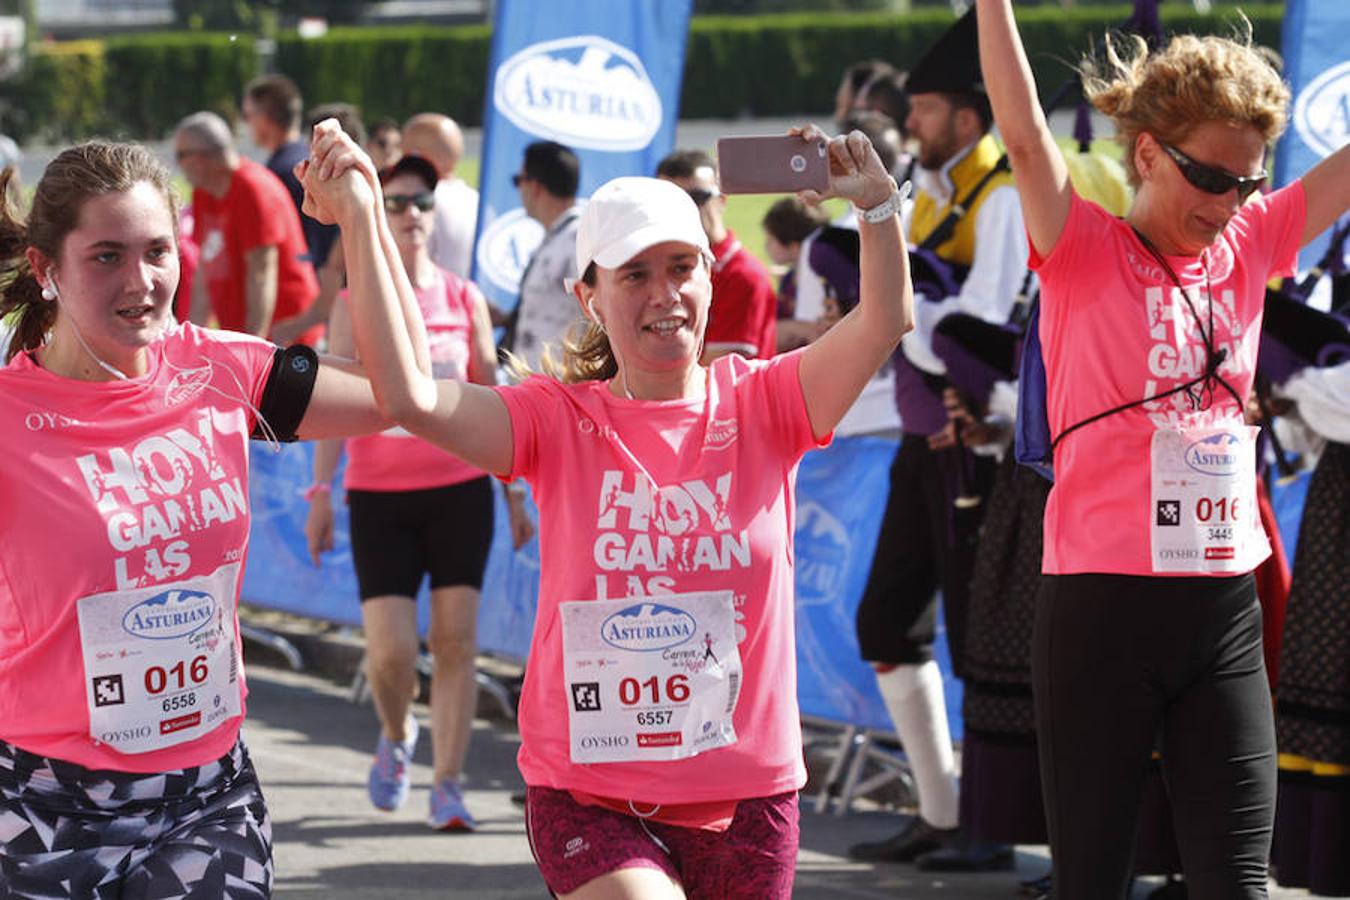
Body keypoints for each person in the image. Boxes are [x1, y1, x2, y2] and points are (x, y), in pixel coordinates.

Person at [302, 121, 912, 900]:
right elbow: (412, 397)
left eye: (682, 267)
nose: (665, 294)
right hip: (589, 793)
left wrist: (876, 204)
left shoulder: (768, 401)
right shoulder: (555, 421)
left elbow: (884, 317)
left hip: (750, 796)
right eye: (633, 275)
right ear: (588, 297)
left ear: (712, 278)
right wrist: (360, 215)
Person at [974, 0, 1350, 895]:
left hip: (1220, 602)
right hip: (1099, 607)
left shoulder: (1254, 241)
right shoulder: (1079, 246)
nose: (1228, 205)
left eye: (1247, 184)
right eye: (1209, 178)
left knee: (1238, 883)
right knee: (1094, 881)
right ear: (1148, 153)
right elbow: (1025, 137)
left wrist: (1252, 203)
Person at [0, 135, 423, 896]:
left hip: (205, 798)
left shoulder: (221, 372)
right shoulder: (8, 421)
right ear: (45, 268)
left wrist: (361, 219)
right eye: (106, 257)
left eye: (159, 251)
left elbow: (402, 396)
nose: (142, 282)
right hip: (41, 806)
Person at [849, 9, 1024, 870]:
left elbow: (977, 327)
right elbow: (905, 313)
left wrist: (908, 311)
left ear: (965, 117)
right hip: (924, 440)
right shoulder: (920, 189)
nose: (909, 124)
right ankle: (947, 807)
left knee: (980, 634)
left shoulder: (1004, 197)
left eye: (921, 110)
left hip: (981, 443)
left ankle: (993, 824)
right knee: (886, 621)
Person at [303, 154, 498, 831]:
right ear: (377, 216)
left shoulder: (464, 296)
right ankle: (396, 733)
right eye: (396, 202)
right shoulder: (355, 303)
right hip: (380, 495)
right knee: (388, 652)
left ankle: (448, 781)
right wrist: (320, 491)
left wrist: (521, 493)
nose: (410, 212)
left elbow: (490, 393)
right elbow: (330, 400)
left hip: (460, 488)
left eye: (422, 201)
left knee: (455, 641)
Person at [176, 111, 321, 347]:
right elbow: (206, 267)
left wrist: (252, 347)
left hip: (285, 339)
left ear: (200, 158)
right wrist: (190, 341)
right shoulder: (204, 192)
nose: (178, 164)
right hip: (245, 335)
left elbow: (261, 273)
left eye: (181, 155)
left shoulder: (253, 189)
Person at [656, 148, 777, 362]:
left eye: (697, 197)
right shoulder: (658, 269)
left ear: (721, 198)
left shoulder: (742, 275)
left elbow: (720, 371)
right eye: (672, 200)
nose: (686, 208)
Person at [500, 140, 584, 371]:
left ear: (534, 186)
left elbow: (597, 311)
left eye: (519, 180)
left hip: (561, 387)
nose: (519, 190)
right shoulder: (560, 236)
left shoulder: (578, 240)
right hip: (540, 386)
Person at [402, 113, 477, 279]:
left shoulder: (417, 202)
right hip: (469, 301)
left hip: (427, 301)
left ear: (415, 156)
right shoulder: (476, 200)